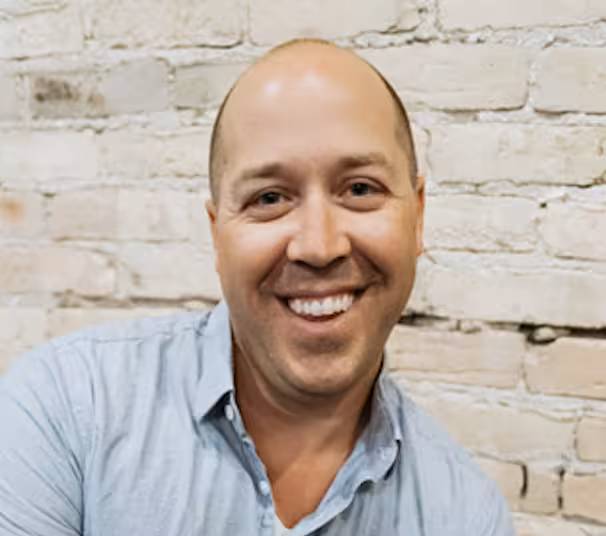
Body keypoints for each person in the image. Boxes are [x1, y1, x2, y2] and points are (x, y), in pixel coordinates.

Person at [0, 39, 514, 535]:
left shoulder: (466, 517)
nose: (318, 246)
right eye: (269, 198)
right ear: (217, 236)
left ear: (417, 217)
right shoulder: (66, 414)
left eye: (360, 189)